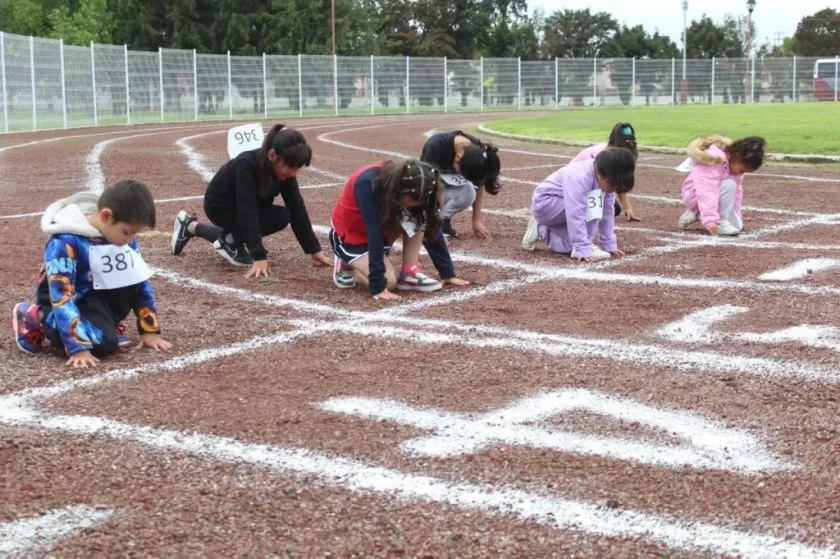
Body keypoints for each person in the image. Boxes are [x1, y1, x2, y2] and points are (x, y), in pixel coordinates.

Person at [12, 179, 172, 368]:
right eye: (127, 232)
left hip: (97, 293)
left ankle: (103, 324)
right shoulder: (65, 241)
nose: (129, 240)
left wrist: (149, 330)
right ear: (106, 216)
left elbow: (138, 281)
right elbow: (62, 296)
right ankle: (36, 315)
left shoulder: (122, 239)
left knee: (131, 283)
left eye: (134, 235)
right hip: (69, 296)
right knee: (105, 345)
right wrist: (77, 346)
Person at [171, 124, 331, 278]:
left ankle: (191, 227)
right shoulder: (246, 164)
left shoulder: (285, 172)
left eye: (297, 168)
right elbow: (247, 210)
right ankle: (229, 241)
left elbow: (297, 207)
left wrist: (313, 249)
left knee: (283, 215)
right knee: (274, 218)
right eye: (290, 167)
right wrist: (259, 256)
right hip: (220, 207)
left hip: (247, 206)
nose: (294, 173)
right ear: (272, 155)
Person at [329, 159, 470, 301]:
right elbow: (373, 229)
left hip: (383, 228)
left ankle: (409, 272)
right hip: (352, 234)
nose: (408, 207)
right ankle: (346, 261)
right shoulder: (367, 183)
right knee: (388, 283)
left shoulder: (419, 182)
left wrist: (447, 272)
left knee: (419, 215)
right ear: (399, 189)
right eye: (407, 202)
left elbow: (430, 223)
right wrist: (378, 286)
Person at [521, 149, 636, 262]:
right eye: (613, 188)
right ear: (604, 177)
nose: (613, 192)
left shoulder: (607, 179)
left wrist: (609, 244)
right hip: (545, 204)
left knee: (568, 246)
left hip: (563, 206)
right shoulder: (579, 176)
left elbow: (607, 212)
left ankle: (540, 229)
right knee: (592, 204)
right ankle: (582, 244)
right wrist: (583, 247)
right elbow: (575, 212)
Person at [677, 135, 766, 236]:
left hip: (715, 194)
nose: (741, 174)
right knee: (729, 184)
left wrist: (737, 216)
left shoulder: (734, 168)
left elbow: (736, 195)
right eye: (742, 170)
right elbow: (706, 192)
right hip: (695, 194)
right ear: (736, 158)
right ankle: (718, 221)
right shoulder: (713, 161)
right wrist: (710, 220)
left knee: (737, 226)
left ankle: (697, 214)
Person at [419, 130, 501, 239]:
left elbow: (479, 188)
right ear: (458, 157)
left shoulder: (477, 152)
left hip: (446, 187)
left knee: (469, 192)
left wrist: (476, 221)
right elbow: (424, 185)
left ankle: (442, 220)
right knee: (427, 189)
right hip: (429, 188)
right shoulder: (435, 146)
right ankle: (424, 220)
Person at [570, 122, 641, 222]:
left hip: (592, 184)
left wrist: (627, 208)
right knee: (596, 210)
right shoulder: (604, 155)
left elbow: (619, 180)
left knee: (614, 209)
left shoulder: (616, 154)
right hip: (575, 183)